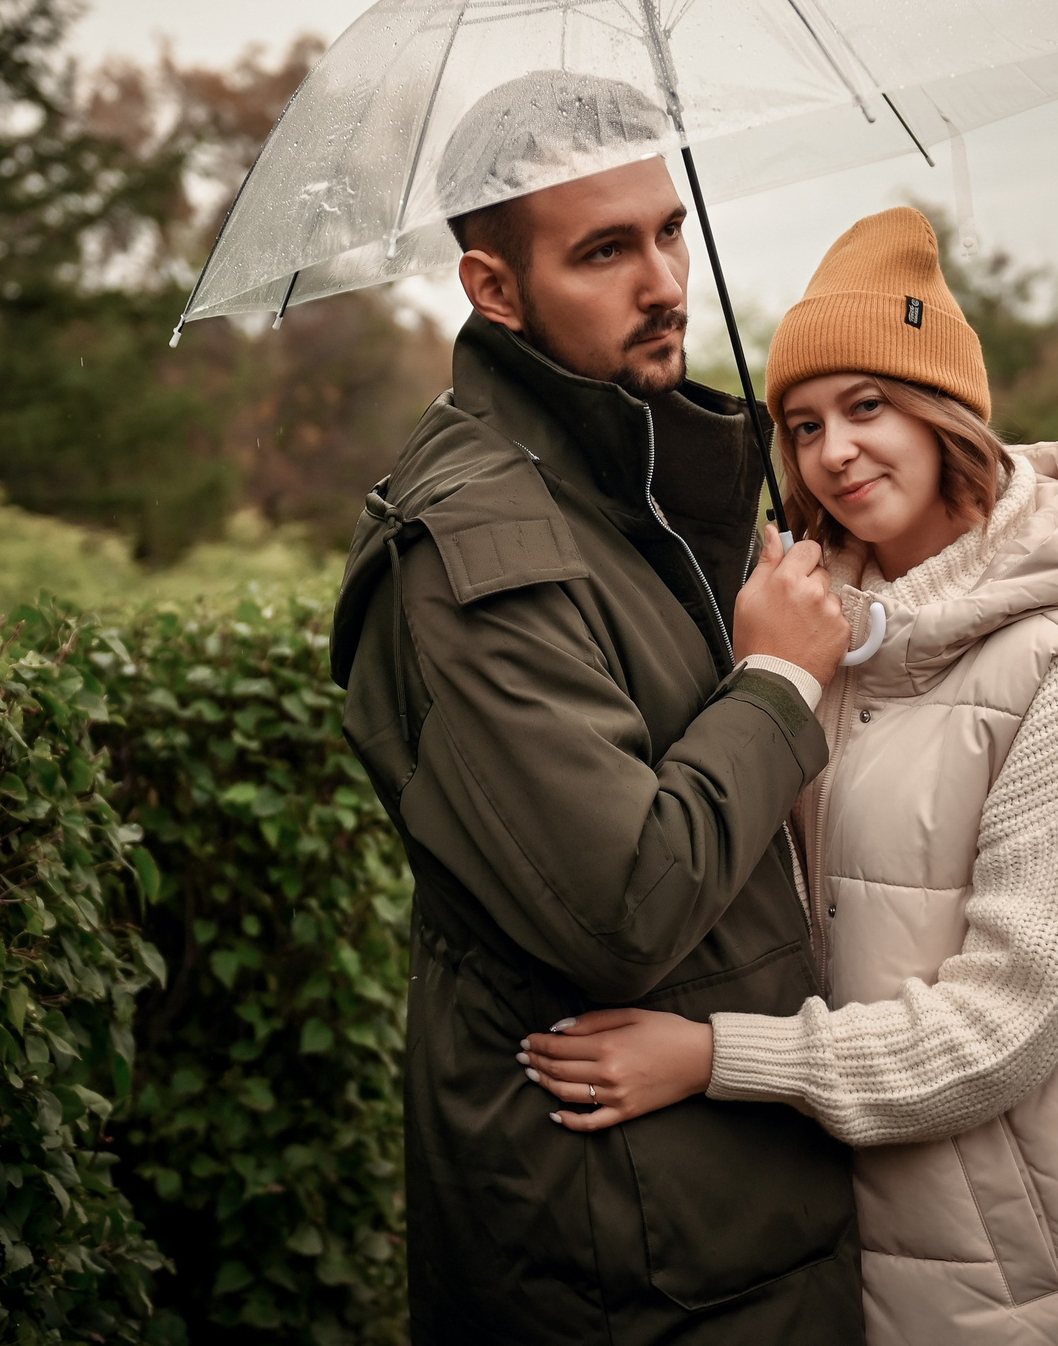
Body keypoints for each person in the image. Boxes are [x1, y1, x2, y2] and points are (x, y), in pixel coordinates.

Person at [521, 207, 1058, 1346]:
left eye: (867, 406)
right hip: (866, 1239)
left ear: (946, 415)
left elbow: (1005, 1026)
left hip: (1040, 1273)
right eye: (799, 424)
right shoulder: (819, 636)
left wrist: (710, 1056)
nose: (831, 452)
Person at [330, 71, 867, 1345]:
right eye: (606, 251)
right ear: (495, 290)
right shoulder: (474, 549)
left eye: (670, 231)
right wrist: (779, 680)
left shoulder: (632, 477)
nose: (665, 283)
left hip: (736, 1205)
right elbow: (624, 902)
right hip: (631, 1253)